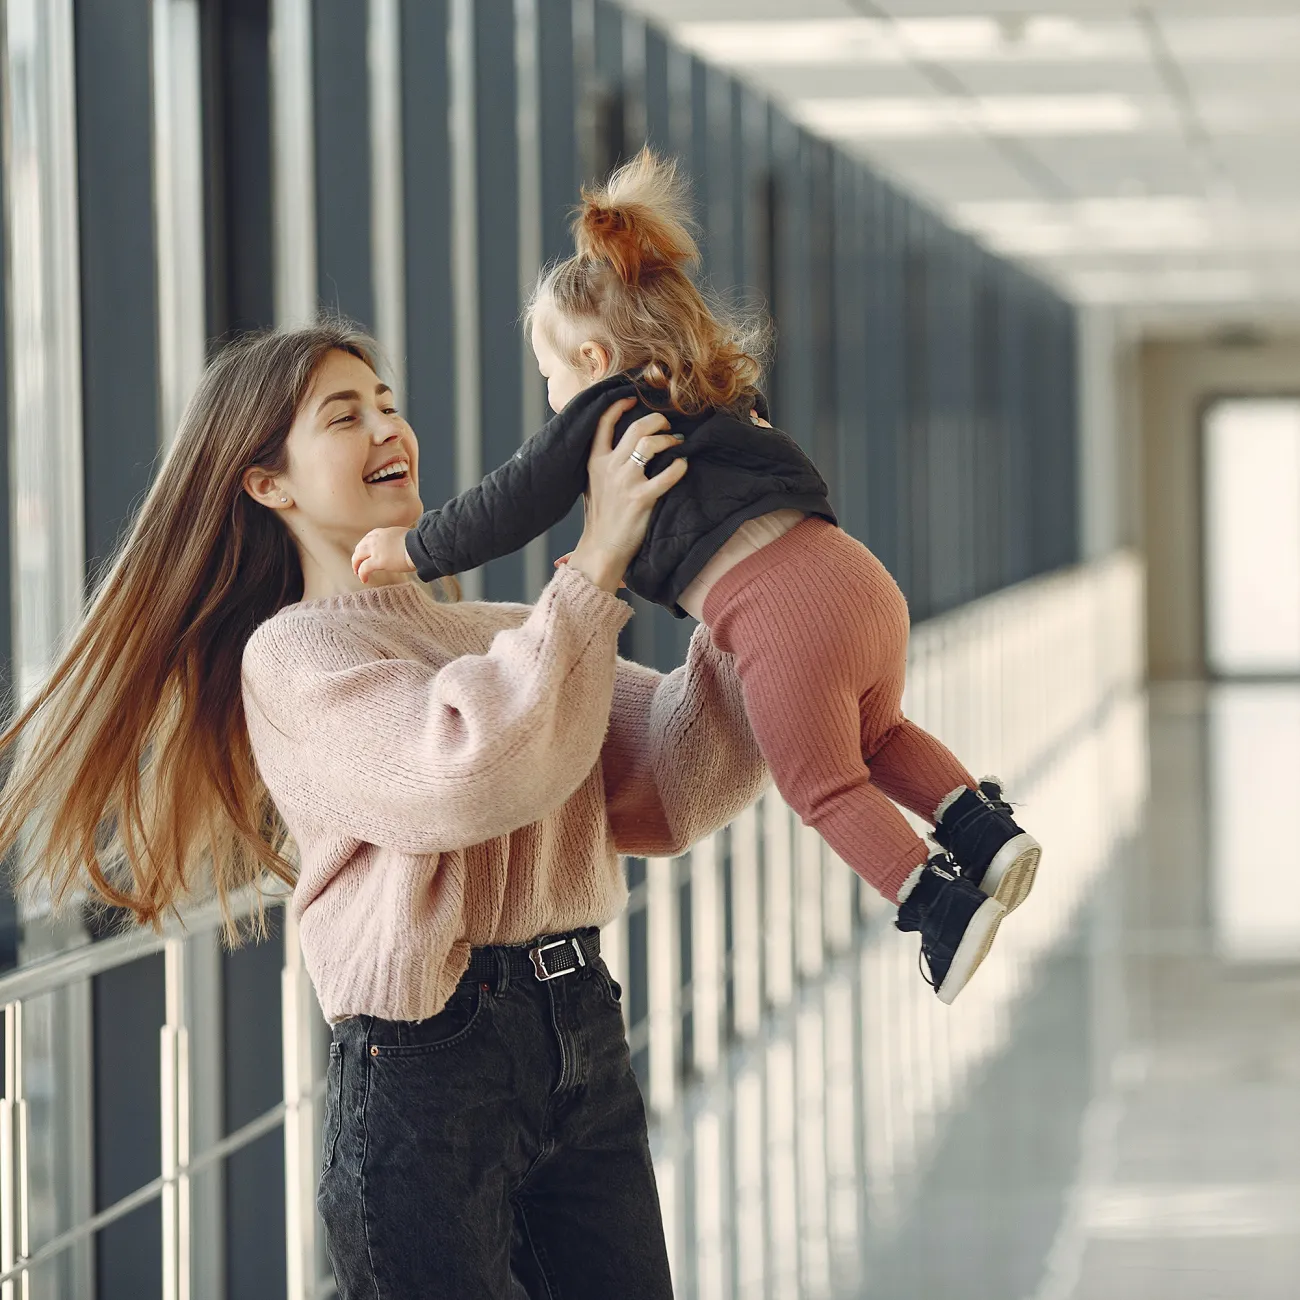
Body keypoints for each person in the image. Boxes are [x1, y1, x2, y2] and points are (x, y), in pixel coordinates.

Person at [0, 323, 768, 1299]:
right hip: (427, 1070)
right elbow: (464, 773)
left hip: (580, 1026)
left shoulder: (499, 635)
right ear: (267, 483)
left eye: (389, 403)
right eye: (344, 413)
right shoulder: (292, 657)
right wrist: (600, 554)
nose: (387, 425)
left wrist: (742, 571)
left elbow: (678, 777)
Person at [353, 149, 1043, 1005]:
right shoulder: (721, 396)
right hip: (856, 579)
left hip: (778, 613)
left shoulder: (606, 407)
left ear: (594, 355)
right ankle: (983, 832)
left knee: (822, 784)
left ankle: (939, 910)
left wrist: (411, 551)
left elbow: (511, 500)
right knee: (879, 729)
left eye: (548, 376)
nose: (549, 398)